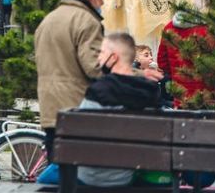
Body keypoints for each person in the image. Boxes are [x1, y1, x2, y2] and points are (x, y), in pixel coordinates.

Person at [70, 33, 163, 188]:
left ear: (113, 58)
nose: (99, 58)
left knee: (45, 179)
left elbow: (78, 143)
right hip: (126, 175)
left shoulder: (98, 92)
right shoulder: (150, 93)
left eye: (102, 53)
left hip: (90, 177)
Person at [34, 0, 104, 161]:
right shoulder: (87, 21)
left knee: (56, 162)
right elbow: (93, 67)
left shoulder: (49, 19)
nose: (102, 2)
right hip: (75, 102)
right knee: (76, 163)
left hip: (49, 102)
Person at [158, 10, 209, 106]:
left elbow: (162, 61)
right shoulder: (204, 28)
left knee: (182, 119)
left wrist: (175, 74)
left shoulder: (168, 28)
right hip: (204, 91)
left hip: (180, 91)